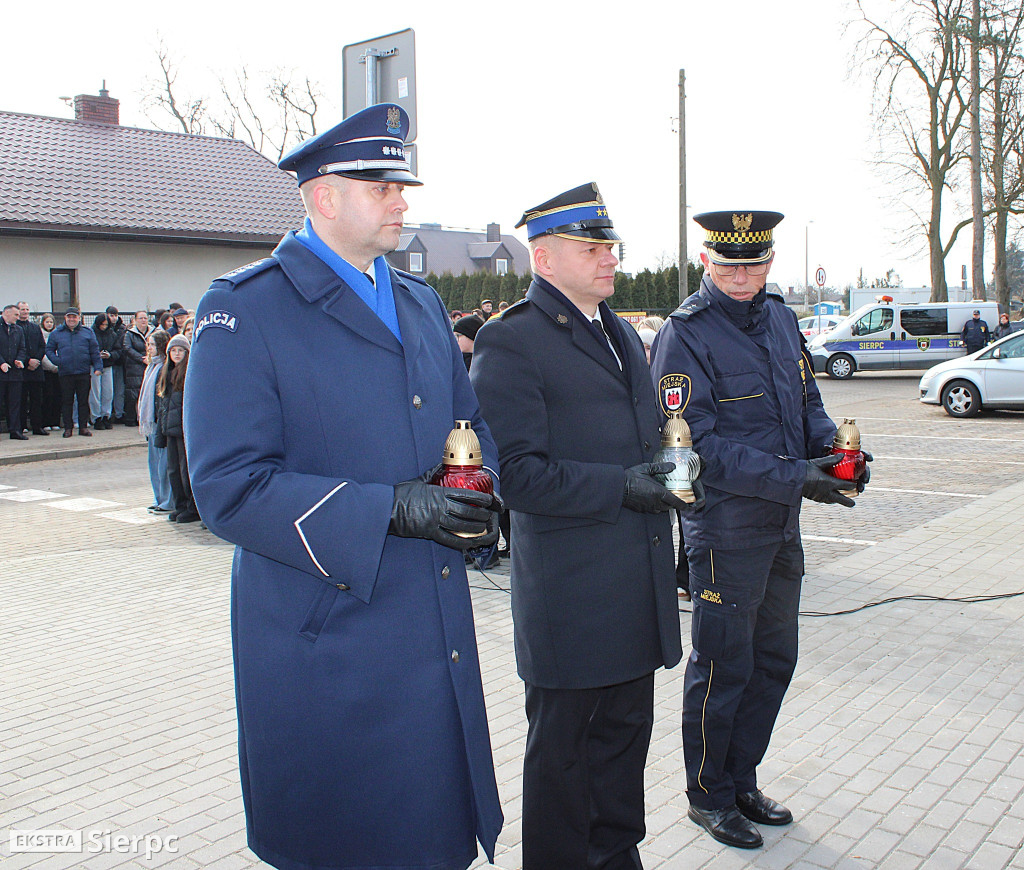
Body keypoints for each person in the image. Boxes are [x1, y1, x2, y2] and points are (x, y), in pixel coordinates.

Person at [184, 103, 504, 870]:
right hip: (326, 639)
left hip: (431, 629)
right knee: (348, 841)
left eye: (403, 185)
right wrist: (390, 508)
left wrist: (478, 492)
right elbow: (228, 485)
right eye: (381, 185)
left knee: (431, 838)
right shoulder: (245, 308)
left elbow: (471, 424)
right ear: (324, 196)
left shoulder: (421, 302)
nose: (402, 200)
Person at [470, 182, 685, 870]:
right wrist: (623, 486)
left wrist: (673, 467)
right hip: (573, 601)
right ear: (544, 256)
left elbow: (642, 435)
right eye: (591, 247)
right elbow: (521, 476)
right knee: (564, 762)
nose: (609, 259)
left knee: (624, 745)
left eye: (609, 246)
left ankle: (617, 854)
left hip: (634, 590)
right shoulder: (513, 341)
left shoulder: (621, 332)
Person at [650, 210, 870, 850]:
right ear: (708, 263)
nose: (741, 276)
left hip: (779, 525)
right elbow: (695, 445)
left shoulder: (779, 316)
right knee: (723, 666)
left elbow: (807, 405)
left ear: (770, 263)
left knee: (774, 659)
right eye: (728, 265)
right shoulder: (685, 334)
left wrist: (837, 452)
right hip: (723, 531)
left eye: (753, 264)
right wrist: (799, 475)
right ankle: (706, 796)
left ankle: (740, 778)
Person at [156, 335, 198, 522]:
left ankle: (192, 507)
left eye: (180, 350)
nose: (177, 353)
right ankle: (180, 505)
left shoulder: (189, 373)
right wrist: (160, 432)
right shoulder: (166, 374)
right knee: (173, 470)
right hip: (170, 430)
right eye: (173, 350)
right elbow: (163, 406)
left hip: (182, 430)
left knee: (184, 470)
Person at [45, 307, 101, 437]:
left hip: (83, 372)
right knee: (67, 401)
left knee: (83, 401)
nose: (71, 319)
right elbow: (49, 350)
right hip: (66, 373)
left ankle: (83, 427)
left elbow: (94, 350)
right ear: (65, 318)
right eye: (69, 317)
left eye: (74, 317)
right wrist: (57, 361)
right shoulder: (57, 333)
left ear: (79, 318)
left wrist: (98, 367)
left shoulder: (88, 332)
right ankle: (68, 428)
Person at [139, 330, 173, 513]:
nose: (149, 348)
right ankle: (158, 497)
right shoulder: (151, 366)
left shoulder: (163, 367)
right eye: (148, 344)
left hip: (160, 421)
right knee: (154, 463)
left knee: (163, 464)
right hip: (150, 422)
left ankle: (167, 500)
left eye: (152, 344)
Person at [16, 302, 47, 435]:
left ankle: (37, 426)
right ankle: (22, 426)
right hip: (21, 369)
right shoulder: (15, 327)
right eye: (22, 309)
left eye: (27, 309)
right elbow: (17, 348)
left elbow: (42, 346)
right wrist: (28, 361)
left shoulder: (35, 327)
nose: (25, 312)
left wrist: (37, 360)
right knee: (21, 400)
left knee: (36, 400)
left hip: (36, 370)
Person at [0, 304, 28, 439]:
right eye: (16, 315)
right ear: (6, 313)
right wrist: (1, 363)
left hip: (15, 372)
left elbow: (23, 348)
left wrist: (19, 359)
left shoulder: (18, 330)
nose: (18, 317)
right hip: (1, 371)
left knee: (15, 403)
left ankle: (15, 430)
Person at [89, 313, 120, 429]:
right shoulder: (92, 334)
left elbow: (118, 350)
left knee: (108, 392)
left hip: (108, 365)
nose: (104, 327)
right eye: (102, 325)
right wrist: (96, 356)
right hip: (95, 365)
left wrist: (110, 355)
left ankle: (106, 415)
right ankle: (96, 417)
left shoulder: (112, 334)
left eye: (106, 325)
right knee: (95, 393)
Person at [122, 310, 151, 427]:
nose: (143, 320)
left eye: (145, 318)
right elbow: (127, 348)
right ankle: (131, 419)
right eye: (141, 318)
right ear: (135, 320)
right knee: (133, 394)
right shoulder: (129, 334)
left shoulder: (153, 332)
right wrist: (141, 358)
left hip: (149, 365)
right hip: (134, 367)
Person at [38, 313, 62, 431]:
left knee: (58, 396)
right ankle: (45, 422)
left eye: (51, 322)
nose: (49, 324)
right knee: (48, 396)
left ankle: (55, 421)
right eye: (47, 322)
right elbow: (43, 353)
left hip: (57, 370)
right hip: (46, 370)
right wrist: (50, 366)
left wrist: (57, 365)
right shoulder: (40, 335)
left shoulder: (57, 335)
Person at [106, 306, 127, 422]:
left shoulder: (122, 329)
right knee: (107, 391)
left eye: (115, 315)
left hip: (119, 362)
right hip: (107, 363)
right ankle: (108, 414)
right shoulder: (103, 328)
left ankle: (119, 413)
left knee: (119, 390)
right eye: (111, 315)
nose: (113, 318)